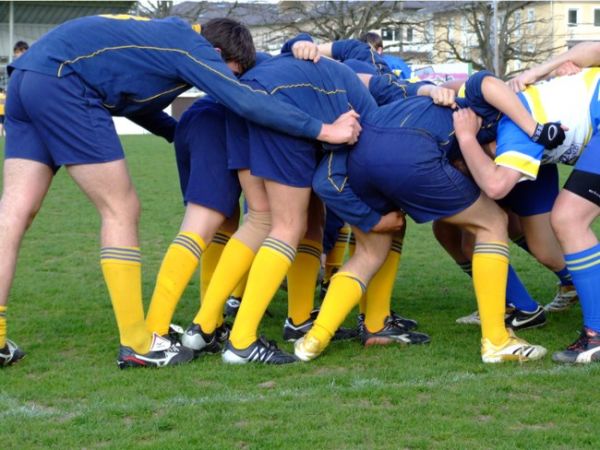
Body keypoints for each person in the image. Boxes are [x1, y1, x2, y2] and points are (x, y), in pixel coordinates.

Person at [0, 15, 360, 369]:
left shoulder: (162, 40)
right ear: (215, 51)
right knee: (121, 209)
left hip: (26, 76)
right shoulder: (188, 44)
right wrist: (324, 130)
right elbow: (244, 101)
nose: (222, 82)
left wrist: (174, 131)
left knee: (14, 212)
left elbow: (131, 100)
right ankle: (138, 343)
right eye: (226, 71)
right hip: (64, 83)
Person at [296, 58, 565, 362]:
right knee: (492, 223)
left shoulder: (420, 102)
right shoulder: (487, 104)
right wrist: (536, 128)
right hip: (414, 151)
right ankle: (496, 340)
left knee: (369, 254)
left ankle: (315, 337)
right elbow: (487, 82)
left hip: (363, 156)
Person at [458, 42, 600, 363]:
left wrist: (465, 140)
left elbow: (496, 185)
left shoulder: (511, 132)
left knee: (568, 218)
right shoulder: (509, 112)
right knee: (556, 233)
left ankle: (597, 333)